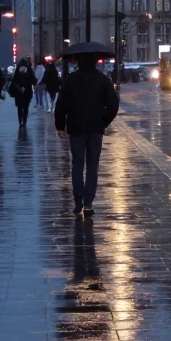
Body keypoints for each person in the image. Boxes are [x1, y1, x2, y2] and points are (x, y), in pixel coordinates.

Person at [54, 52, 120, 217]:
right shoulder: (103, 80)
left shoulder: (71, 80)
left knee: (77, 163)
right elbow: (114, 102)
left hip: (76, 127)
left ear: (79, 62)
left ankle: (78, 201)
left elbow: (61, 103)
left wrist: (60, 125)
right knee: (92, 166)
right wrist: (105, 120)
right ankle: (89, 203)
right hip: (96, 128)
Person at [9, 58, 36, 128]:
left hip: (19, 91)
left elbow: (13, 80)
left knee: (19, 107)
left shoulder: (17, 70)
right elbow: (34, 80)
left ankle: (20, 121)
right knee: (26, 107)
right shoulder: (29, 69)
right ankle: (24, 121)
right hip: (27, 91)